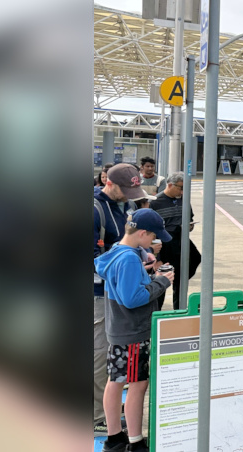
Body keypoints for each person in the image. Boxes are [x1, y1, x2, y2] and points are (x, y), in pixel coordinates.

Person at [96, 208, 174, 452]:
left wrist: (147, 271)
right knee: (137, 384)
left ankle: (114, 438)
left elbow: (123, 284)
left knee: (115, 382)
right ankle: (135, 441)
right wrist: (163, 281)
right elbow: (132, 298)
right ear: (142, 233)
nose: (154, 242)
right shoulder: (129, 258)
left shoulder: (117, 252)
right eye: (153, 237)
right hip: (132, 333)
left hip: (118, 330)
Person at [91, 163, 139, 433]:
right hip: (99, 294)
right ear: (109, 183)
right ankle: (96, 415)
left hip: (118, 292)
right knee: (99, 354)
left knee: (112, 351)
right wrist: (122, 261)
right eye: (127, 189)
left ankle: (104, 404)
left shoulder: (127, 207)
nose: (131, 195)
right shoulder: (95, 210)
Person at [147, 173, 199, 309]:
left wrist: (190, 226)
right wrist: (156, 258)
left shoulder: (184, 200)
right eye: (180, 188)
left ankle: (179, 309)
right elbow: (150, 231)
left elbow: (190, 220)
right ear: (170, 185)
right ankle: (156, 314)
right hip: (163, 245)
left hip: (181, 241)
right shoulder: (154, 203)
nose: (182, 192)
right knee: (160, 283)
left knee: (194, 260)